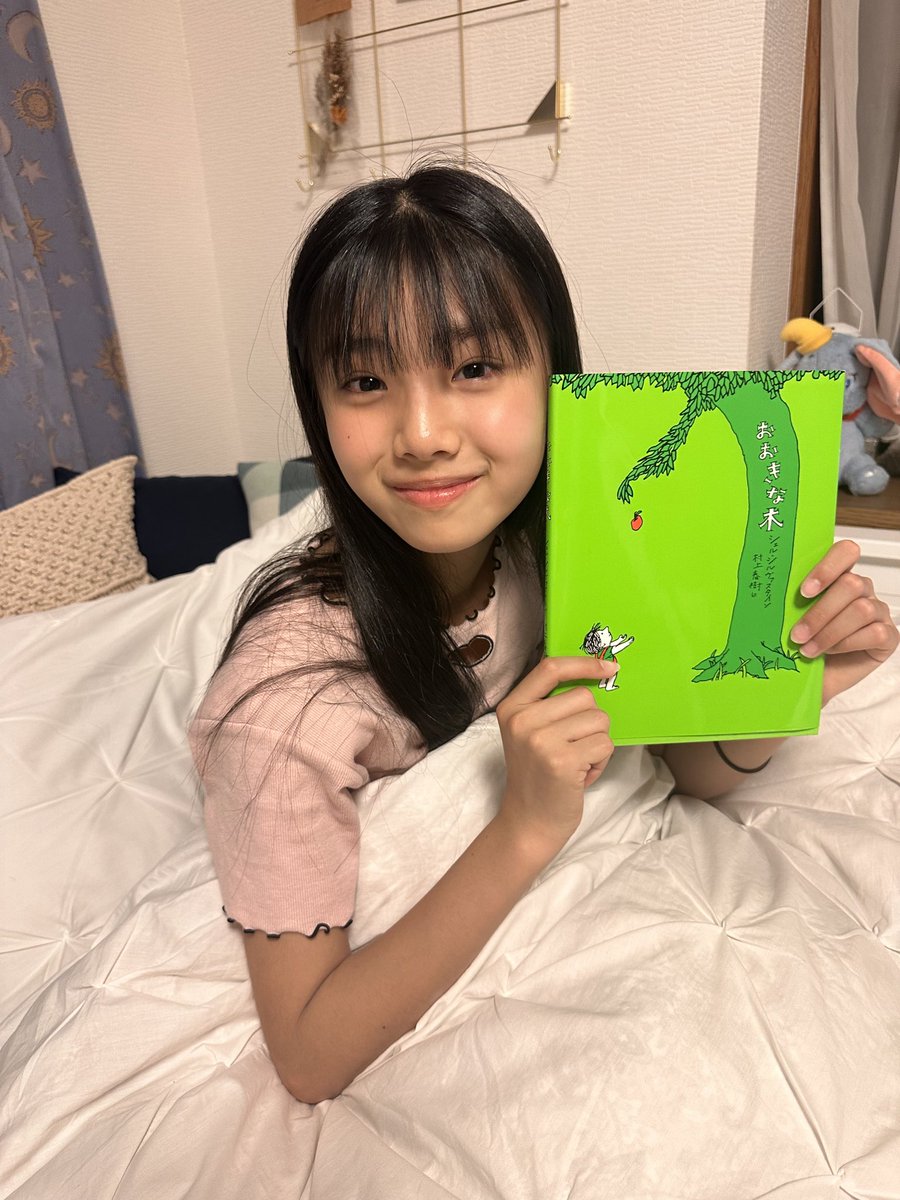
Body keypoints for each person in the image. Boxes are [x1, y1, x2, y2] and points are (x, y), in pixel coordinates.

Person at [189, 158, 899, 1106]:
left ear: (555, 377)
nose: (424, 433)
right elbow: (310, 1058)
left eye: (475, 367)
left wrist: (790, 682)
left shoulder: (563, 540)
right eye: (364, 379)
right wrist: (523, 827)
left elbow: (687, 768)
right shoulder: (279, 713)